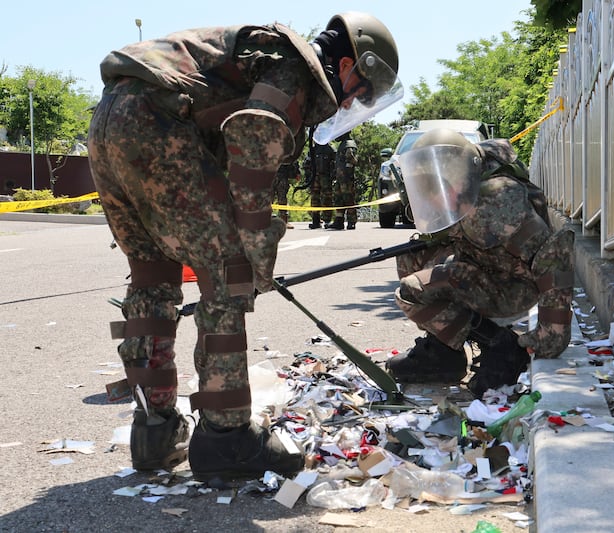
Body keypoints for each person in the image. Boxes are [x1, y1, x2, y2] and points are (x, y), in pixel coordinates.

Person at [87, 12, 401, 480]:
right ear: (348, 66)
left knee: (152, 280)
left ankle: (154, 433)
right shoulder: (294, 65)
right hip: (157, 124)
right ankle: (227, 440)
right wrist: (254, 248)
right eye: (361, 91)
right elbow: (252, 134)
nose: (352, 103)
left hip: (110, 123)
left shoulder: (258, 55)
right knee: (228, 275)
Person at [385, 129, 574, 398]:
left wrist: (550, 335)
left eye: (434, 190)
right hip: (489, 266)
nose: (430, 199)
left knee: (412, 290)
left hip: (515, 285)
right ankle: (444, 353)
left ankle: (500, 345)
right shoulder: (465, 195)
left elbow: (553, 255)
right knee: (410, 258)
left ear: (457, 181)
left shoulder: (495, 203)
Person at [304, 141, 336, 228]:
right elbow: (307, 164)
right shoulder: (313, 149)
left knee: (327, 198)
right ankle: (315, 220)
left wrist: (333, 176)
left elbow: (335, 163)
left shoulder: (330, 149)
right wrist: (308, 177)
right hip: (314, 177)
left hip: (326, 177)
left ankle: (327, 220)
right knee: (314, 199)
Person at [330, 132, 359, 230]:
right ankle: (339, 220)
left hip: (346, 178)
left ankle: (351, 221)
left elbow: (352, 159)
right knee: (338, 199)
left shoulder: (348, 144)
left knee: (348, 198)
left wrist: (346, 173)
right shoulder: (343, 144)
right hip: (340, 178)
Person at [274, 161, 300, 229]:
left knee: (282, 199)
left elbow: (293, 158)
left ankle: (284, 221)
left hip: (282, 175)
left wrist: (297, 172)